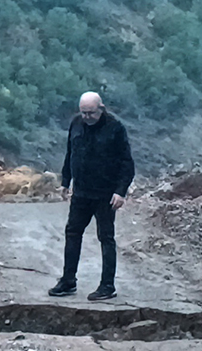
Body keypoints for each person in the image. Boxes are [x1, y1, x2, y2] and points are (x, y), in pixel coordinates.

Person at [48, 92, 135, 301]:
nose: (87, 117)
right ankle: (68, 281)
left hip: (105, 194)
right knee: (72, 233)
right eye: (84, 112)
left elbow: (127, 163)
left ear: (101, 108)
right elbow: (71, 153)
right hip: (81, 192)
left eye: (91, 113)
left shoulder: (115, 127)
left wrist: (120, 192)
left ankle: (107, 285)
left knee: (106, 238)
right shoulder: (76, 123)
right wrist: (65, 182)